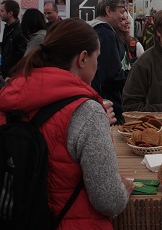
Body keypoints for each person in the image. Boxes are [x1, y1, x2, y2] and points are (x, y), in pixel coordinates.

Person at [0, 18, 134, 228]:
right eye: (96, 58)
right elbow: (108, 201)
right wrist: (123, 190)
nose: (97, 65)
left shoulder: (10, 95)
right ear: (82, 59)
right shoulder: (87, 112)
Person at [89, 0, 128, 124]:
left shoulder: (94, 29)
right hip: (107, 100)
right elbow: (113, 74)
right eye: (121, 11)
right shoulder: (106, 33)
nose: (123, 16)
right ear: (108, 11)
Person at [0, 0, 28, 79]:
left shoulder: (20, 31)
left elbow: (22, 56)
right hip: (6, 74)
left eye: (2, 11)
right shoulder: (7, 29)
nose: (0, 13)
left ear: (10, 13)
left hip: (13, 76)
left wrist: (14, 75)